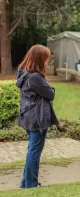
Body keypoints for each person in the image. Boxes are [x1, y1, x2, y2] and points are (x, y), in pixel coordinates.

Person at [16, 45, 59, 189]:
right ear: (40, 58)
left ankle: (26, 182)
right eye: (46, 58)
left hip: (28, 116)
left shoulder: (23, 73)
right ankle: (31, 183)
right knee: (34, 151)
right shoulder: (35, 77)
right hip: (37, 118)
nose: (47, 61)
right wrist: (50, 87)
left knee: (32, 149)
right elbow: (50, 94)